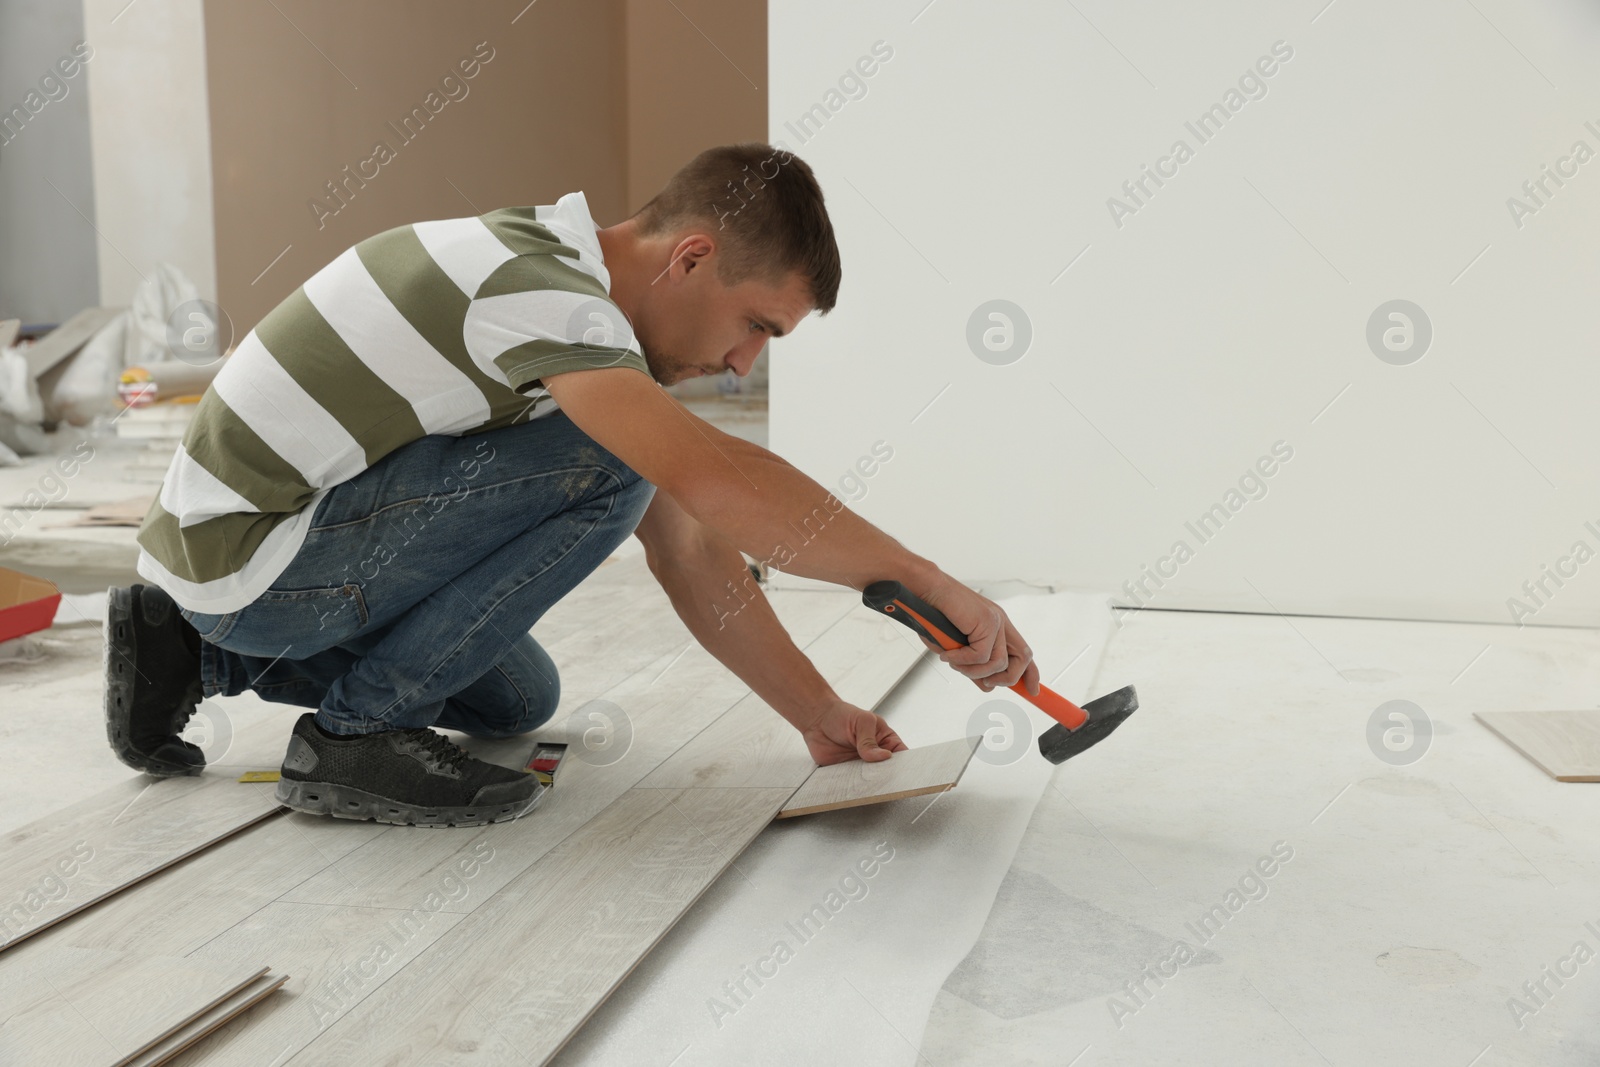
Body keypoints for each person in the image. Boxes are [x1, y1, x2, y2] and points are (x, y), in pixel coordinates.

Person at [103, 143, 1040, 827]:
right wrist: (929, 580)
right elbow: (716, 482)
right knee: (623, 462)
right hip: (255, 558)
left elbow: (690, 545)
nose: (743, 364)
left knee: (514, 701)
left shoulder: (568, 303)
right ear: (693, 257)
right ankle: (352, 738)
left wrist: (820, 715)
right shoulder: (543, 294)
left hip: (245, 568)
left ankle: (189, 651)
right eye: (756, 326)